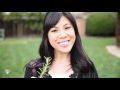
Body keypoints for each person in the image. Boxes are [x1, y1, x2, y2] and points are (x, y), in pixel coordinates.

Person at [24, 12, 98, 78]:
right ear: (47, 36)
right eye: (54, 30)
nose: (62, 35)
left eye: (67, 27)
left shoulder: (88, 69)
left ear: (75, 31)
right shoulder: (34, 69)